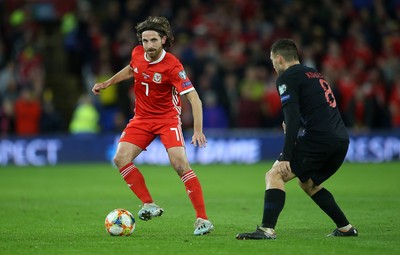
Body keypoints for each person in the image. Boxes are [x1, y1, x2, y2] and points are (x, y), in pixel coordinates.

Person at [91, 16, 214, 236]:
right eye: (145, 40)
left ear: (163, 40)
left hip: (167, 119)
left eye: (153, 40)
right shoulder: (138, 53)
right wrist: (107, 83)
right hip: (141, 119)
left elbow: (194, 98)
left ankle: (203, 219)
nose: (149, 46)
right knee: (120, 158)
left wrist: (197, 130)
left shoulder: (173, 66)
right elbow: (132, 69)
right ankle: (149, 204)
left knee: (180, 165)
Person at [236, 38, 358, 240]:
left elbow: (291, 119)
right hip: (341, 139)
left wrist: (286, 155)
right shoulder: (314, 73)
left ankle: (267, 229)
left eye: (273, 60)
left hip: (319, 139)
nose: (273, 65)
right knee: (308, 183)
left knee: (274, 175)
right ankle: (346, 228)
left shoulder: (287, 78)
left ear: (280, 59)